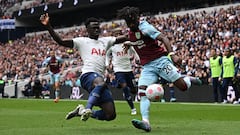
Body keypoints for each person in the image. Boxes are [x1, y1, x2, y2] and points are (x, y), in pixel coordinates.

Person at [117, 6, 202, 132]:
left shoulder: (146, 28)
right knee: (142, 92)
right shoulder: (131, 31)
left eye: (133, 22)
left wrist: (172, 54)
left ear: (138, 18)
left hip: (161, 62)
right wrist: (129, 42)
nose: (131, 25)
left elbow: (163, 38)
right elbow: (133, 37)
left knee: (183, 87)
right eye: (129, 23)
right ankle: (145, 122)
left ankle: (188, 79)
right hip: (148, 67)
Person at [40, 13, 128, 121]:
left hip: (99, 79)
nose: (96, 29)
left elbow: (124, 38)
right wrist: (48, 26)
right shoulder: (81, 41)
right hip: (88, 75)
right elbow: (61, 41)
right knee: (100, 82)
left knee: (110, 115)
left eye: (98, 27)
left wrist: (136, 28)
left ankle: (81, 111)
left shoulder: (106, 41)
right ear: (87, 29)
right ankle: (88, 108)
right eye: (93, 28)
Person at [106, 28, 139, 115]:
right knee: (124, 87)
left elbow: (135, 51)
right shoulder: (112, 46)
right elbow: (106, 55)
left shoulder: (127, 44)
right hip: (118, 70)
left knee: (134, 90)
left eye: (119, 33)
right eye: (116, 34)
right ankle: (133, 108)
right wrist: (107, 64)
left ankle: (120, 86)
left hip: (128, 69)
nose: (118, 35)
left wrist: (137, 58)